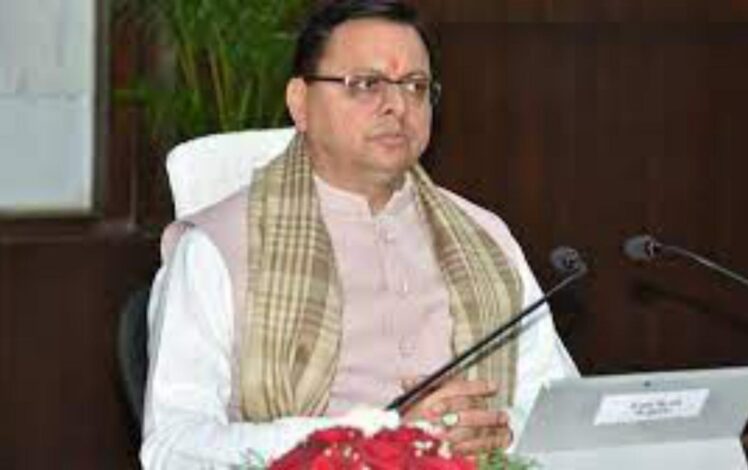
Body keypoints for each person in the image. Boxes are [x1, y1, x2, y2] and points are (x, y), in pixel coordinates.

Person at [141, 1, 578, 468]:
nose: (397, 106)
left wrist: (501, 430)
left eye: (415, 86)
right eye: (366, 84)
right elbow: (173, 447)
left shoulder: (485, 238)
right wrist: (376, 437)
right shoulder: (217, 248)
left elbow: (564, 412)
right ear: (300, 102)